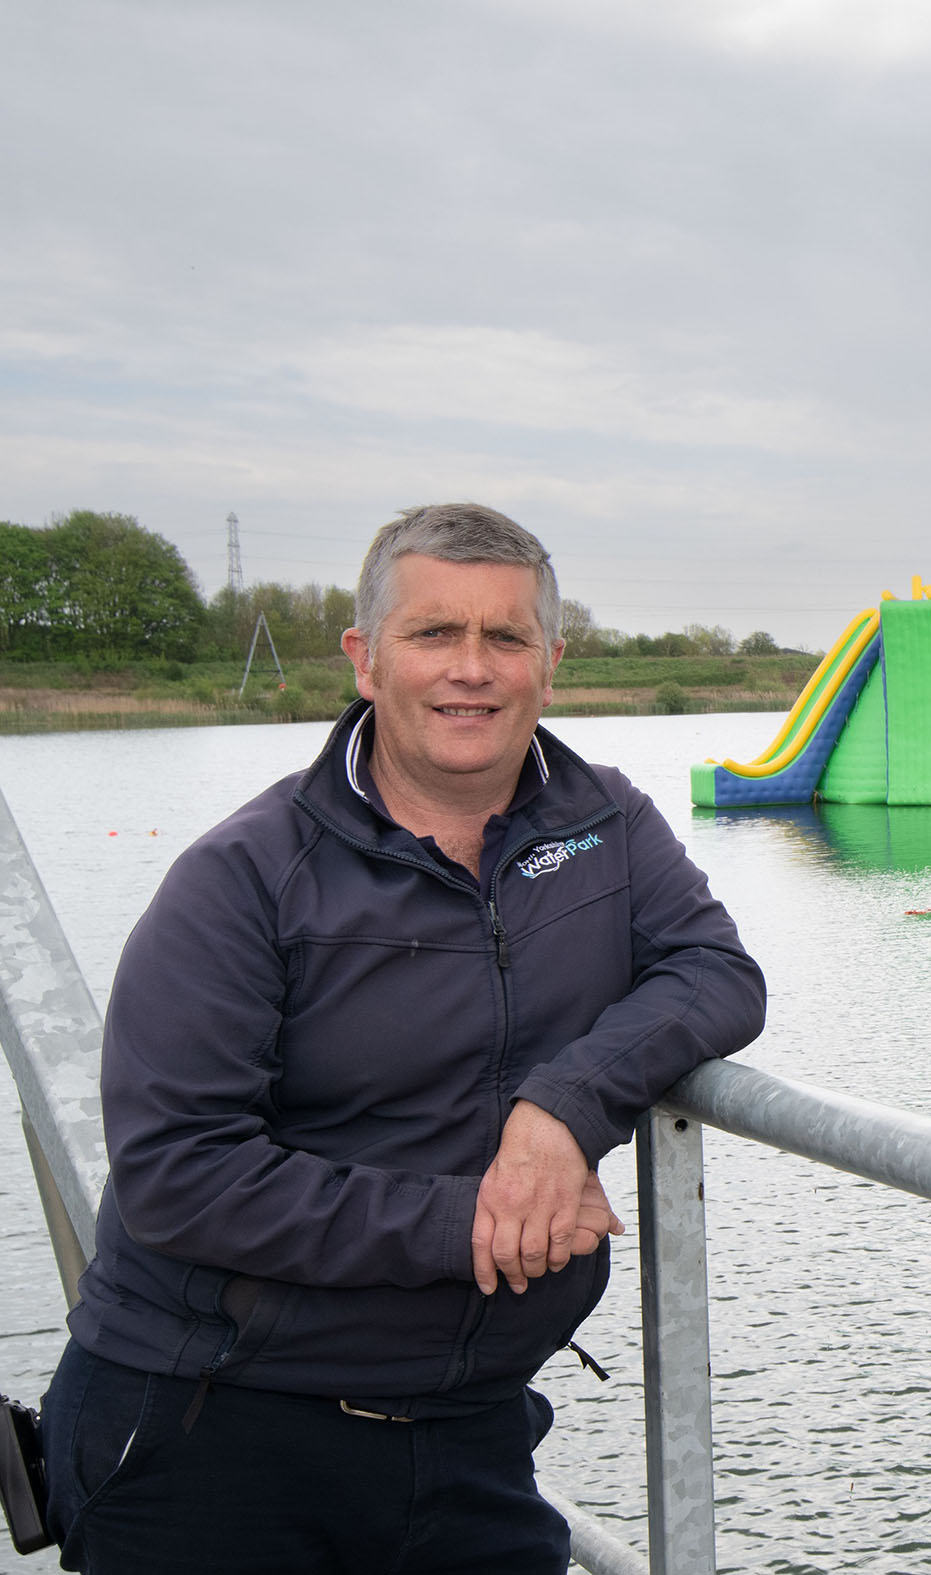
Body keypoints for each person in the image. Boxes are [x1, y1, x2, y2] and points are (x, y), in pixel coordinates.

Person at [38, 504, 766, 1572]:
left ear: (550, 663)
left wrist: (559, 1110)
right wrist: (478, 1220)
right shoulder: (242, 878)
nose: (471, 669)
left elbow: (715, 971)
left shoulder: (603, 825)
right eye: (434, 634)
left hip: (469, 1434)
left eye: (505, 638)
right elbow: (179, 1175)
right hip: (211, 1431)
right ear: (366, 660)